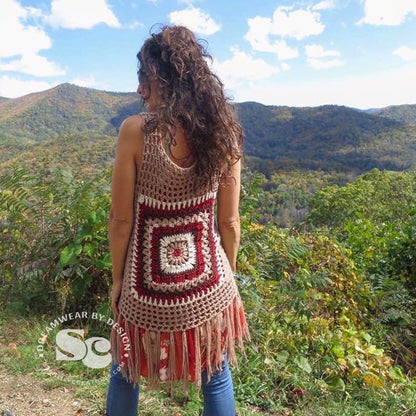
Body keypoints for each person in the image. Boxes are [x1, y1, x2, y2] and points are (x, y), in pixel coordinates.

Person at [105, 25, 250, 416]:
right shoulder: (224, 135)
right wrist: (227, 277)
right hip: (208, 286)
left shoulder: (134, 132)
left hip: (144, 290)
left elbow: (120, 220)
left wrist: (118, 281)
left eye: (144, 79)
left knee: (125, 368)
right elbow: (230, 223)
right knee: (216, 373)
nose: (139, 90)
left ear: (165, 79)